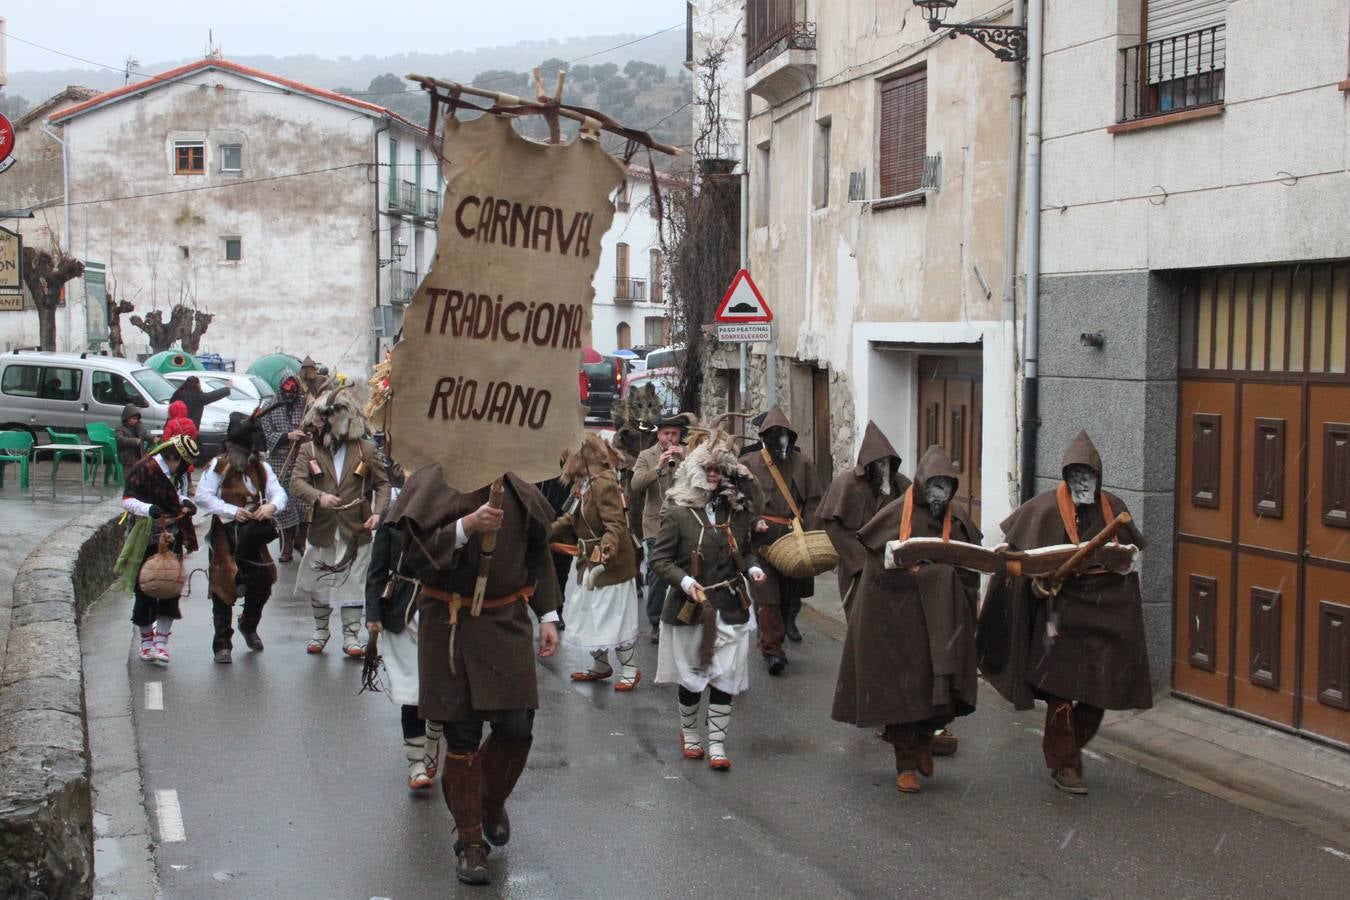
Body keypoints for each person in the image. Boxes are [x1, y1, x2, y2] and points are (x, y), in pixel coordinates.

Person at [384, 464, 561, 887]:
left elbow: (537, 552)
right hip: (451, 622)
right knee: (461, 737)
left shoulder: (518, 483)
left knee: (517, 727)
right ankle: (469, 844)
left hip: (507, 621)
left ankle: (490, 800)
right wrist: (466, 526)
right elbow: (415, 556)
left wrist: (550, 614)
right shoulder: (432, 479)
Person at [977, 431, 1152, 795]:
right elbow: (1016, 564)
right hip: (1058, 617)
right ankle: (1065, 763)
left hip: (1102, 617)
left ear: (1098, 477)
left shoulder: (1113, 509)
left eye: (1087, 475)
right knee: (1060, 694)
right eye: (1075, 475)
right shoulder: (1042, 509)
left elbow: (1129, 559)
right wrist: (1036, 584)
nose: (1081, 482)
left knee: (1096, 695)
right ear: (1065, 476)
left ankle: (1067, 753)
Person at [831, 445, 982, 794]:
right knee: (902, 694)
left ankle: (925, 740)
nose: (940, 494)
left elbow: (969, 569)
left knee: (939, 694)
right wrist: (915, 576)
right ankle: (906, 765)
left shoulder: (957, 520)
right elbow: (875, 574)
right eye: (935, 486)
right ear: (922, 483)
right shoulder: (895, 516)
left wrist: (949, 586)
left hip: (941, 625)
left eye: (946, 487)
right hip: (899, 623)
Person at [651, 431, 766, 770]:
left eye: (719, 470)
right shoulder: (678, 513)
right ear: (695, 470)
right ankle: (690, 735)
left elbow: (746, 550)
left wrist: (755, 568)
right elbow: (660, 560)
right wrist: (686, 581)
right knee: (693, 677)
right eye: (708, 469)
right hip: (691, 608)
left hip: (731, 604)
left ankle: (717, 744)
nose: (713, 475)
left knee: (725, 676)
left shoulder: (736, 511)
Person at [288, 388, 392, 657]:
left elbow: (382, 484)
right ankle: (320, 631)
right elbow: (296, 482)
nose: (323, 423)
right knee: (320, 579)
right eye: (322, 418)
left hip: (356, 528)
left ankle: (351, 636)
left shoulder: (365, 449)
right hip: (322, 527)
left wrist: (379, 513)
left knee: (354, 581)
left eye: (330, 418)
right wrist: (318, 496)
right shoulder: (308, 449)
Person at [364, 464, 445, 791]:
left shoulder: (448, 516)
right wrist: (373, 614)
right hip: (401, 611)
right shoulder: (391, 518)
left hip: (440, 613)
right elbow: (376, 570)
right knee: (412, 692)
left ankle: (431, 744)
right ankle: (416, 764)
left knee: (439, 690)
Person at [551, 433, 643, 690]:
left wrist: (607, 549)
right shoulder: (583, 484)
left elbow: (615, 524)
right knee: (588, 615)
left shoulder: (604, 483)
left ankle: (630, 669)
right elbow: (571, 518)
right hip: (588, 563)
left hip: (610, 564)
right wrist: (546, 532)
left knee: (612, 617)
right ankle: (601, 665)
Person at [194, 413, 287, 664]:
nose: (242, 456)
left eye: (246, 451)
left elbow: (278, 493)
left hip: (253, 535)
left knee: (263, 580)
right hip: (225, 535)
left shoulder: (261, 469)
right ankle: (222, 644)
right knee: (223, 587)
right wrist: (232, 510)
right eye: (238, 450)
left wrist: (271, 507)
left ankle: (248, 624)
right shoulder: (217, 467)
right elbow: (202, 497)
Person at [740, 406, 822, 674]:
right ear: (764, 437)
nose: (781, 441)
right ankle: (772, 651)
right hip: (762, 541)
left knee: (788, 595)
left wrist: (810, 532)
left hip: (793, 539)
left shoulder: (804, 464)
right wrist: (751, 523)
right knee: (768, 595)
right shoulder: (749, 464)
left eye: (784, 435)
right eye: (775, 435)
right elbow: (738, 500)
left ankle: (774, 636)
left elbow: (813, 501)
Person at [118, 435, 200, 665]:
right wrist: (148, 509)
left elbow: (174, 496)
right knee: (145, 587)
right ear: (173, 457)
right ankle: (146, 641)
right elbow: (127, 499)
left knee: (169, 586)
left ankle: (161, 643)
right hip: (146, 535)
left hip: (172, 534)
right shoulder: (144, 469)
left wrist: (185, 502)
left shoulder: (176, 475)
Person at [817, 421, 910, 620]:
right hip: (857, 569)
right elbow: (834, 528)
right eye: (878, 464)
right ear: (867, 464)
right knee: (860, 622)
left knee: (891, 622)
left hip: (893, 569)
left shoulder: (901, 485)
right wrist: (862, 560)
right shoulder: (845, 485)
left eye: (887, 463)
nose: (883, 469)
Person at [629, 412, 692, 643]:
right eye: (667, 434)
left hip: (685, 523)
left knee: (685, 572)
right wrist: (658, 468)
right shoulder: (647, 455)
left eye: (675, 434)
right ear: (659, 434)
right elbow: (635, 485)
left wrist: (685, 458)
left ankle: (683, 617)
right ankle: (655, 622)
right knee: (657, 575)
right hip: (655, 524)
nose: (671, 439)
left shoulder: (688, 453)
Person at [260, 373, 310, 562]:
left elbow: (314, 428)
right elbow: (267, 435)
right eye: (287, 392)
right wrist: (288, 436)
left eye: (294, 393)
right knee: (285, 505)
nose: (291, 396)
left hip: (302, 461)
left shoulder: (305, 406)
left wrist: (306, 434)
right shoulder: (269, 408)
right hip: (280, 461)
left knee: (305, 504)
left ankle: (301, 540)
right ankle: (287, 546)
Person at [115, 403, 152, 472]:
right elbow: (120, 439)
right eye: (133, 419)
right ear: (126, 418)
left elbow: (144, 435)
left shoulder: (139, 426)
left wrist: (152, 438)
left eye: (137, 419)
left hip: (139, 456)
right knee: (128, 475)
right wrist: (135, 441)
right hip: (127, 458)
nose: (135, 420)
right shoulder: (120, 428)